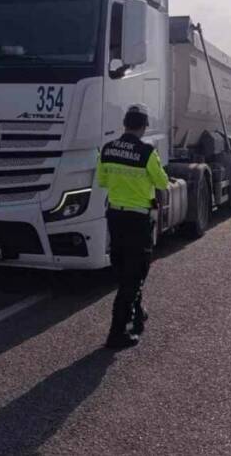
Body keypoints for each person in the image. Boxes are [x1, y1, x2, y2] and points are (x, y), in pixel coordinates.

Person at [96, 104, 170, 349]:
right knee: (134, 274)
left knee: (123, 270)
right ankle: (117, 333)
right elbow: (162, 182)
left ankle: (137, 314)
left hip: (115, 218)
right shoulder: (146, 152)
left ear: (125, 124)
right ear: (143, 127)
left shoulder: (107, 148)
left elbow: (102, 181)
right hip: (138, 220)